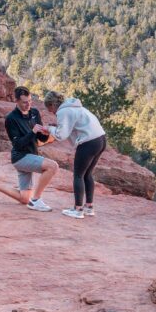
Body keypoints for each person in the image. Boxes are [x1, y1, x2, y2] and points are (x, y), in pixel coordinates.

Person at [0, 86, 58, 211]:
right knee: (52, 166)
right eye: (25, 102)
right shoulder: (11, 119)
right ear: (17, 101)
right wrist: (32, 132)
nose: (28, 104)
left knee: (24, 199)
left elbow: (41, 139)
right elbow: (18, 144)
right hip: (21, 158)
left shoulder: (34, 113)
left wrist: (46, 133)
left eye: (30, 101)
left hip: (31, 155)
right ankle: (36, 200)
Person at [40, 90, 106, 219]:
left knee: (78, 175)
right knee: (87, 174)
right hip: (101, 139)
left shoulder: (62, 111)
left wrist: (48, 128)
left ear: (52, 105)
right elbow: (72, 127)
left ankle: (78, 209)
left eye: (49, 108)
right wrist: (56, 126)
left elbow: (61, 135)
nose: (50, 112)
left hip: (89, 142)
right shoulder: (75, 107)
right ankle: (89, 207)